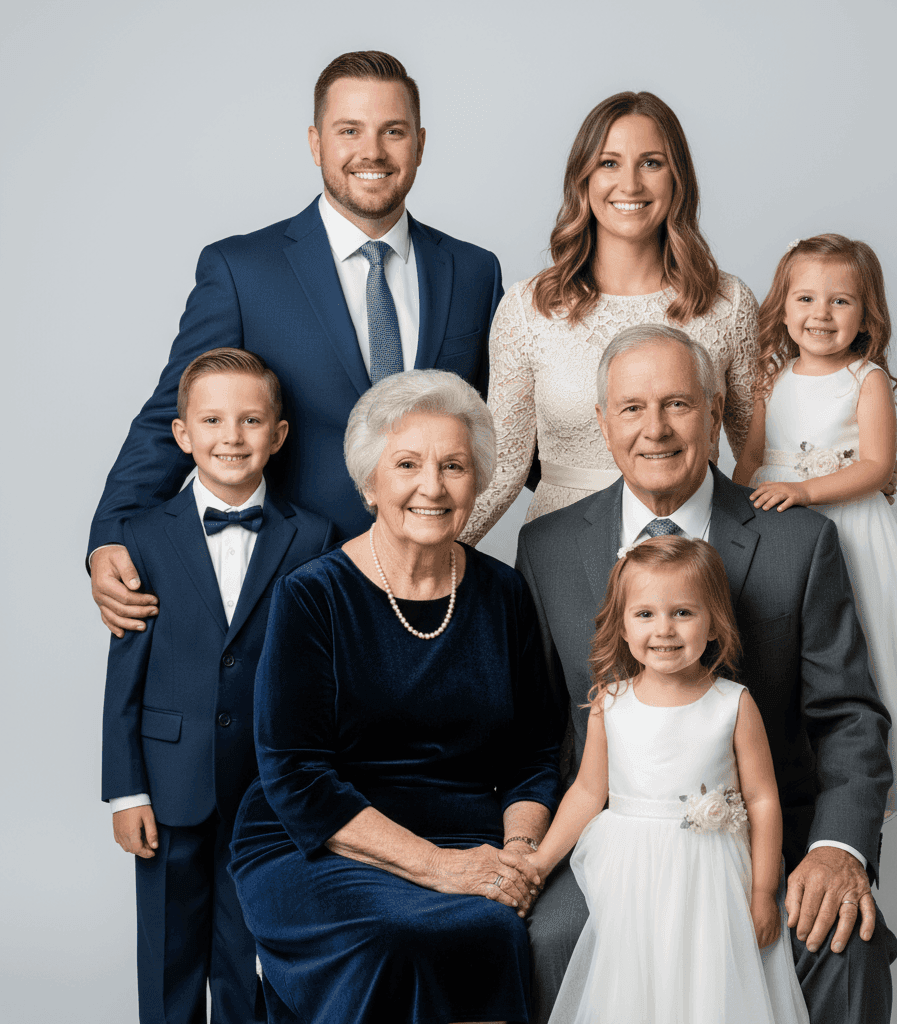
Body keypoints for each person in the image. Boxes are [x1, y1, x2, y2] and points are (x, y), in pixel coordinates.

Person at [516, 324, 897, 1024]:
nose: (654, 429)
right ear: (603, 424)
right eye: (631, 408)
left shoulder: (799, 540)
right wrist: (528, 851)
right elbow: (537, 733)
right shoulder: (547, 548)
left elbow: (850, 716)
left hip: (762, 844)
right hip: (613, 843)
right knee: (553, 937)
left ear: (717, 413)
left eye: (678, 405)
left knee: (843, 945)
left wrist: (837, 848)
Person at [89, 50, 502, 637]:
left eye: (393, 131)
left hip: (432, 587)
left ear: (420, 141)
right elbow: (172, 415)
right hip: (289, 588)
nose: (373, 151)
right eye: (349, 130)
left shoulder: (473, 271)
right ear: (316, 143)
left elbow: (505, 422)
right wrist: (112, 529)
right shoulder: (242, 272)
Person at [228, 370, 563, 1024]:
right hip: (317, 841)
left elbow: (535, 752)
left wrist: (519, 852)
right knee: (397, 940)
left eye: (455, 466)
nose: (431, 486)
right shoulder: (312, 596)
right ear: (369, 483)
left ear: (477, 482)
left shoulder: (503, 594)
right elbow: (296, 776)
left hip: (469, 833)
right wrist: (440, 868)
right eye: (407, 463)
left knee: (497, 931)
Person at [101, 349, 338, 1024]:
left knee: (252, 955)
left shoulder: (315, 537)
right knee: (169, 955)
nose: (231, 437)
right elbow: (125, 677)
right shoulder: (139, 538)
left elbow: (323, 679)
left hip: (269, 792)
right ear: (183, 435)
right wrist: (125, 791)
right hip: (169, 783)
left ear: (279, 434)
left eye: (250, 420)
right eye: (212, 420)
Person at [733, 234, 897, 815]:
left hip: (855, 536)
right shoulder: (771, 378)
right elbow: (749, 461)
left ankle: (856, 785)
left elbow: (875, 466)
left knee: (861, 648)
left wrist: (802, 489)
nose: (820, 314)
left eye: (840, 301)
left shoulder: (865, 380)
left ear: (866, 312)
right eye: (805, 298)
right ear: (783, 304)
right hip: (780, 534)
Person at [529, 535, 810, 1024]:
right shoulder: (610, 702)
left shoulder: (732, 704)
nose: (664, 630)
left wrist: (764, 891)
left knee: (705, 985)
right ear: (621, 623)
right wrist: (539, 862)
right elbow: (588, 792)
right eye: (645, 614)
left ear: (714, 620)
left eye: (683, 612)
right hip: (628, 867)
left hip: (711, 871)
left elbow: (763, 799)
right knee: (633, 984)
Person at [461, 90, 759, 544]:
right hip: (563, 554)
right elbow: (503, 466)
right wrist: (414, 561)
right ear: (582, 178)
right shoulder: (529, 308)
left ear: (678, 178)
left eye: (651, 163)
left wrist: (851, 472)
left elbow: (759, 451)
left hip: (693, 549)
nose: (631, 185)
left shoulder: (727, 302)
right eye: (609, 163)